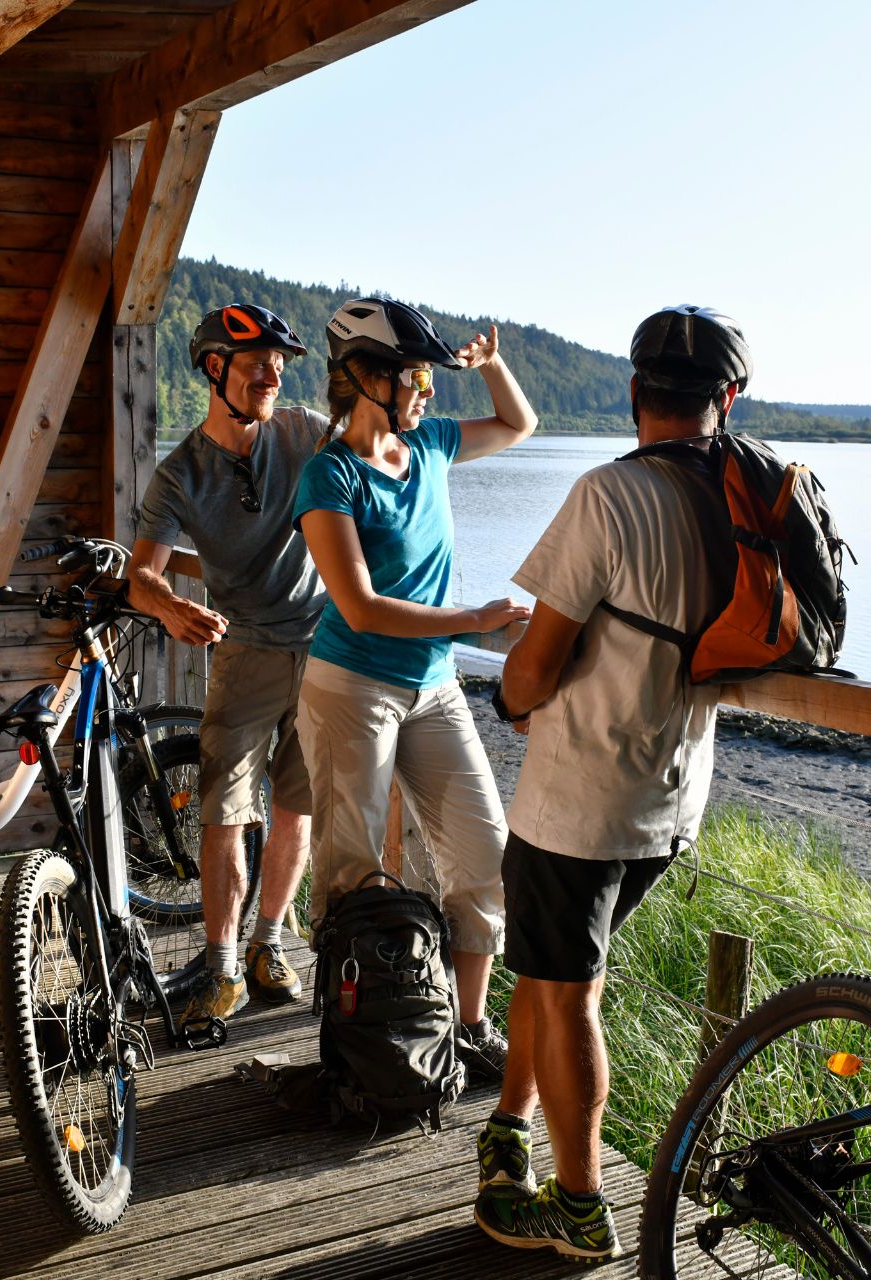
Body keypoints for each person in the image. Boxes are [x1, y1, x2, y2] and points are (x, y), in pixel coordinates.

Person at [472, 305, 750, 1262]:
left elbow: (536, 665)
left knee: (568, 994)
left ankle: (582, 1207)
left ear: (635, 395)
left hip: (579, 799)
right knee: (550, 971)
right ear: (730, 399)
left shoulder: (607, 495)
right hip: (672, 798)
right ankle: (510, 1119)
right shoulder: (738, 501)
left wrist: (509, 697)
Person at [290, 296, 536, 1082]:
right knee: (350, 867)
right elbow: (358, 605)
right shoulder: (329, 475)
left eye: (430, 375)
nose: (428, 391)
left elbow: (517, 426)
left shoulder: (428, 446)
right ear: (365, 379)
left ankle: (467, 1027)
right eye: (415, 375)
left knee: (484, 855)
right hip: (351, 689)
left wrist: (492, 364)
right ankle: (354, 1044)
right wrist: (475, 620)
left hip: (433, 688)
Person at [127, 303, 325, 1036]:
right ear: (215, 369)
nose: (274, 374)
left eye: (279, 364)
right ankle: (222, 968)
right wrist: (167, 606)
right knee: (224, 812)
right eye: (257, 364)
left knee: (296, 808)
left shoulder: (305, 431)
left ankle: (270, 944)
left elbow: (381, 456)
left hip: (324, 646)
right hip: (243, 653)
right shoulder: (179, 475)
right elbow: (139, 575)